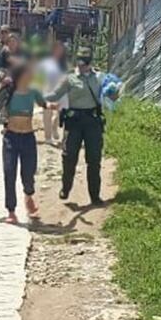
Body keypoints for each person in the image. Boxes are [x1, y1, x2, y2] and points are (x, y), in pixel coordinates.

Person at [0, 61, 44, 223]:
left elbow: (44, 103)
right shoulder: (8, 91)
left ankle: (29, 195)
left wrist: (56, 105)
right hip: (11, 138)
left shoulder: (33, 91)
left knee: (28, 174)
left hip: (28, 138)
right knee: (9, 173)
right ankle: (11, 211)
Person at [49, 48, 106, 206]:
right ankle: (66, 188)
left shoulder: (99, 77)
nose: (83, 66)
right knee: (69, 157)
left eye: (86, 63)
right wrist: (38, 97)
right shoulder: (69, 78)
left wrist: (116, 92)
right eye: (81, 62)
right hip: (74, 121)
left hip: (93, 121)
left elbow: (111, 94)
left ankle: (95, 196)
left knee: (94, 159)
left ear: (90, 63)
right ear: (77, 62)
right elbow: (55, 94)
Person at [37, 41, 67, 146]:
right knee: (47, 113)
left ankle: (55, 126)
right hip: (47, 90)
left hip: (60, 91)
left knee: (60, 112)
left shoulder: (64, 64)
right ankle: (48, 137)